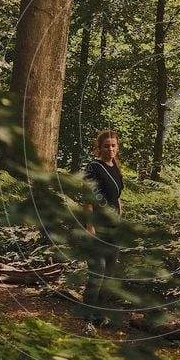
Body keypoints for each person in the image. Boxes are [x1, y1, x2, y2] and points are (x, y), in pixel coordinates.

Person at [79, 129, 124, 335]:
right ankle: (86, 321)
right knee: (97, 272)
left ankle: (98, 315)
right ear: (99, 148)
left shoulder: (115, 167)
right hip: (97, 228)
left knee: (109, 274)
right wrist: (90, 226)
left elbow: (117, 198)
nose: (111, 149)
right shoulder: (93, 168)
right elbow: (88, 198)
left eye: (114, 145)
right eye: (107, 146)